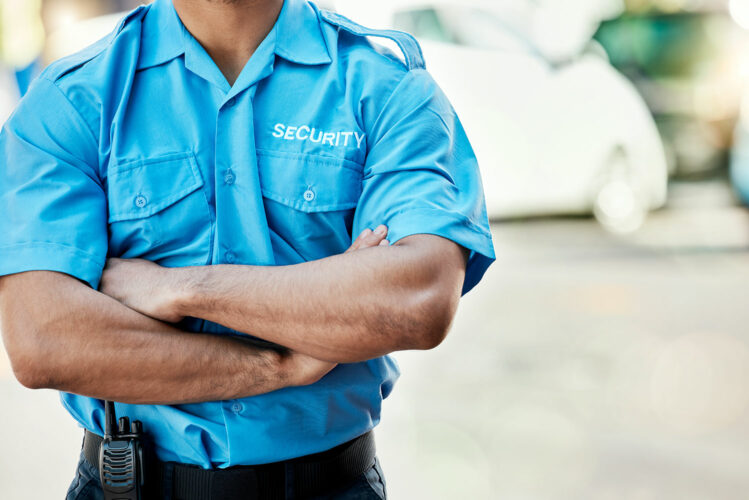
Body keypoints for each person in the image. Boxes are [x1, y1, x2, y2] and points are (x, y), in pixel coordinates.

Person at [0, 0, 495, 498]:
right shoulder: (73, 100)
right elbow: (42, 340)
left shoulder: (387, 88)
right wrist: (280, 364)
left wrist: (178, 290)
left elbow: (418, 300)